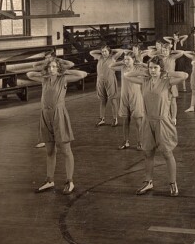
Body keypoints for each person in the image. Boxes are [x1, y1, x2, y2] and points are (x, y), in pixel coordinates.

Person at [124, 56, 188, 197]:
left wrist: (167, 73)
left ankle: (172, 183)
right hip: (147, 121)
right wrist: (144, 71)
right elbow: (127, 75)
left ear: (161, 69)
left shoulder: (167, 82)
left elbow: (184, 75)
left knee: (166, 153)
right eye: (151, 67)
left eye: (155, 68)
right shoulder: (144, 81)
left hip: (162, 121)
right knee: (147, 153)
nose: (152, 70)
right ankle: (148, 182)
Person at [27, 60, 88, 194]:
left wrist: (64, 70)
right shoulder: (45, 79)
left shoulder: (63, 78)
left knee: (65, 150)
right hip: (45, 114)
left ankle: (69, 181)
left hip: (58, 114)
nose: (51, 69)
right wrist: (44, 69)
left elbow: (82, 74)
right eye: (50, 66)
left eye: (54, 66)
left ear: (58, 68)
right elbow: (29, 74)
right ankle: (50, 180)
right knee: (49, 150)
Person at [114, 52, 146, 150]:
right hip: (124, 96)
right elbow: (111, 65)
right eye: (125, 59)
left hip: (136, 96)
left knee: (138, 121)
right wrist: (122, 61)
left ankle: (140, 142)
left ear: (133, 60)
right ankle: (126, 141)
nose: (126, 61)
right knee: (125, 120)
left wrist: (140, 63)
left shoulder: (138, 68)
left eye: (128, 59)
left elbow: (149, 69)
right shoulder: (123, 68)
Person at [89, 46, 123, 127]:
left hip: (110, 80)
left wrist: (111, 50)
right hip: (100, 81)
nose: (104, 53)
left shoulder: (113, 57)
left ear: (109, 51)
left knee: (113, 100)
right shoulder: (99, 57)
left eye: (105, 51)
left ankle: (115, 119)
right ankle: (102, 119)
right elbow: (91, 52)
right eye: (103, 52)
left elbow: (121, 50)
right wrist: (101, 50)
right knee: (102, 100)